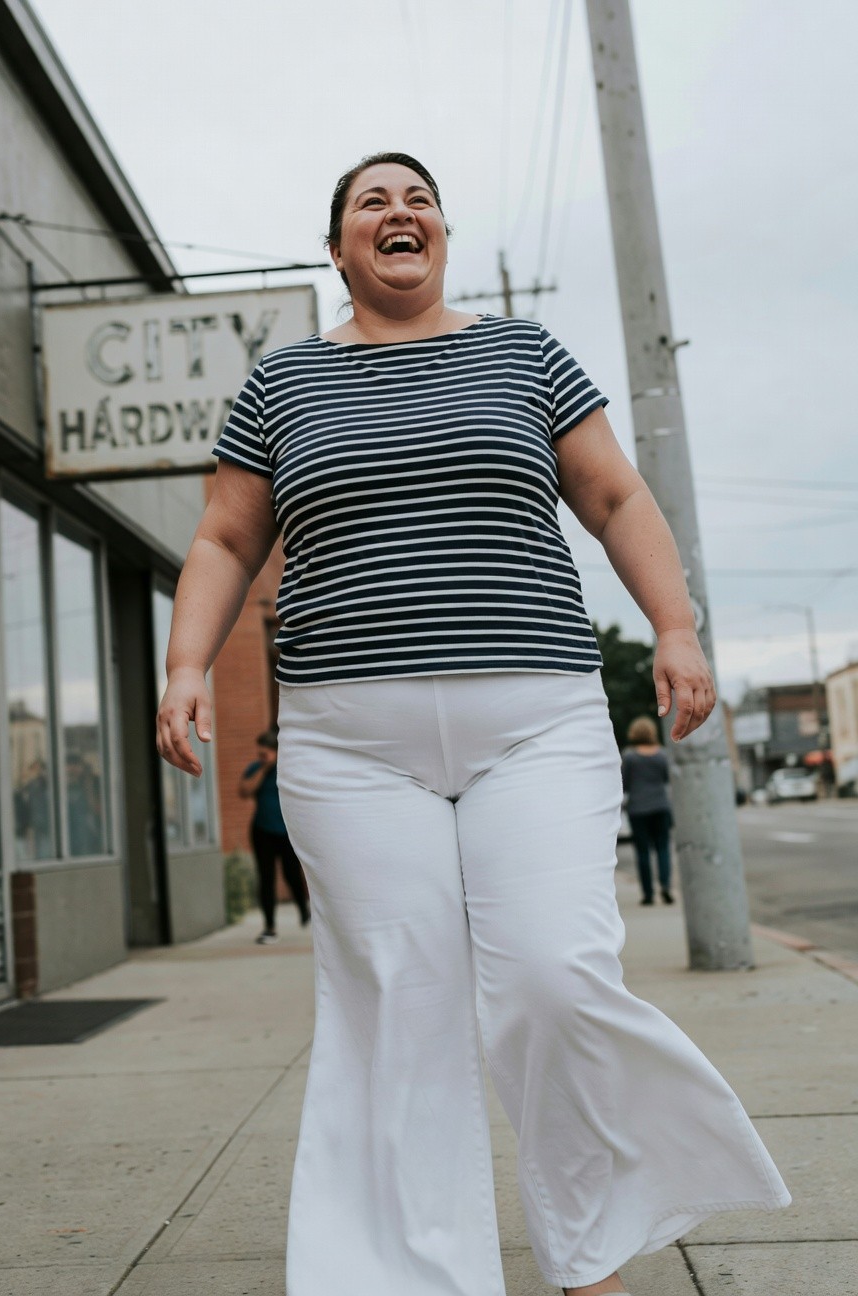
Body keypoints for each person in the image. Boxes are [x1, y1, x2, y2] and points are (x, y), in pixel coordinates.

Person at [156, 153, 789, 1296]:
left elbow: (614, 497)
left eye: (419, 200)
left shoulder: (525, 354)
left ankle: (591, 1247)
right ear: (339, 248)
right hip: (350, 744)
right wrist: (186, 664)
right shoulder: (283, 382)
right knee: (400, 1006)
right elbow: (225, 537)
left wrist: (676, 628)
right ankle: (402, 1276)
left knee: (556, 975)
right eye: (372, 202)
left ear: (440, 234)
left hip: (535, 721)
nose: (400, 212)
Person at [239, 729, 310, 939]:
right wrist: (263, 769)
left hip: (287, 832)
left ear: (277, 751)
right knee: (266, 878)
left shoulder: (289, 769)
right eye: (259, 753)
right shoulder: (256, 768)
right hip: (262, 831)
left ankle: (303, 908)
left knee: (292, 874)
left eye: (266, 753)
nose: (262, 757)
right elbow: (244, 791)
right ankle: (269, 927)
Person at [621, 715, 674, 906]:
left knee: (642, 852)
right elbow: (667, 778)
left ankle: (648, 894)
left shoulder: (629, 756)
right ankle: (665, 885)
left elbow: (624, 783)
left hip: (638, 809)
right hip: (660, 806)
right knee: (663, 849)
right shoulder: (662, 754)